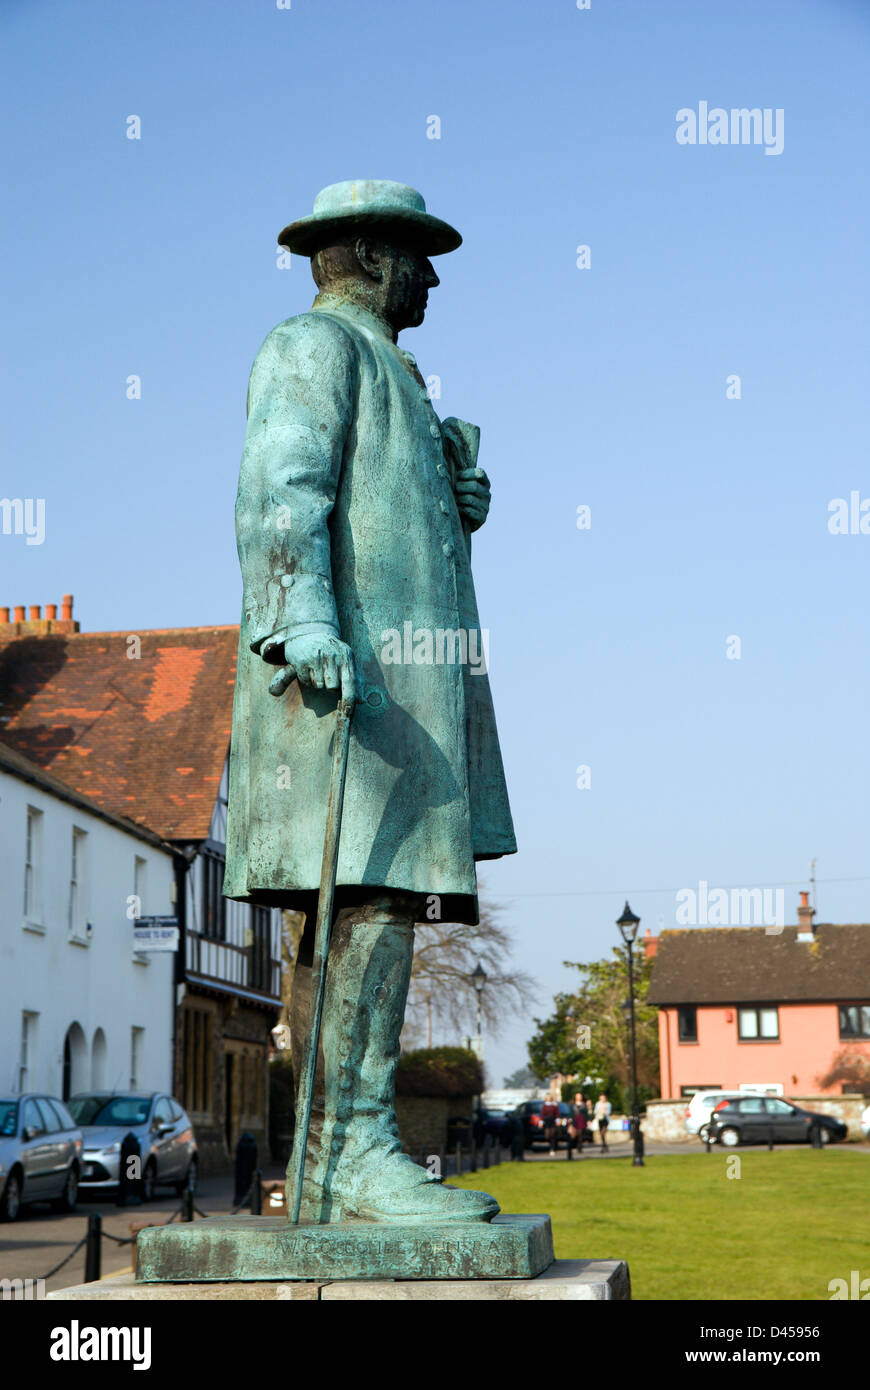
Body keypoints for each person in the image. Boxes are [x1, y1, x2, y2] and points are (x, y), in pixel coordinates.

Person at [224, 180, 517, 1224]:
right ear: (370, 255)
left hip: (399, 693)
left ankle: (333, 1160)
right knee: (366, 902)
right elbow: (281, 481)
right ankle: (349, 1155)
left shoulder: (397, 372)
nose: (432, 275)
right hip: (344, 692)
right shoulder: (315, 346)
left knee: (366, 910)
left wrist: (456, 504)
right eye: (418, 255)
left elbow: (380, 517)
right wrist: (299, 617)